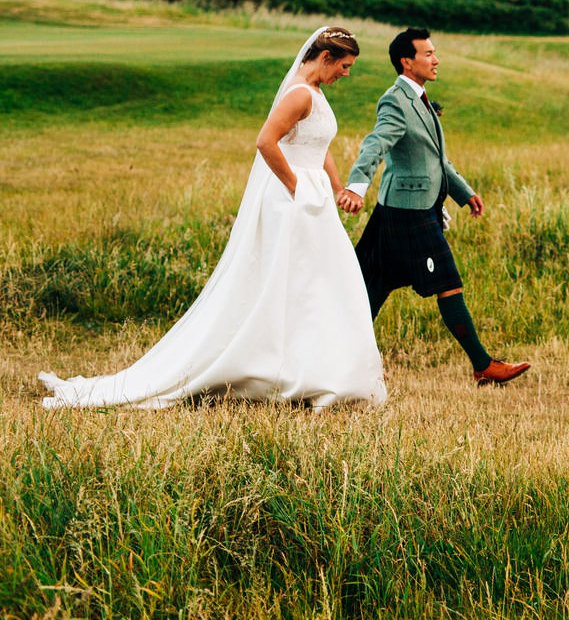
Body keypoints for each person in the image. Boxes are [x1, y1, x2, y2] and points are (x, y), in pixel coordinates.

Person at [39, 27, 387, 409]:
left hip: (314, 200)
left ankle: (310, 371)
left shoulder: (315, 93)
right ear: (325, 57)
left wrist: (337, 188)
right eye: (344, 66)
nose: (346, 74)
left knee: (314, 281)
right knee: (292, 279)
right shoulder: (300, 93)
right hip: (294, 201)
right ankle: (282, 370)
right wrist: (296, 187)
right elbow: (265, 142)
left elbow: (319, 145)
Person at [337, 27, 529, 386]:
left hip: (409, 209)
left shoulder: (422, 98)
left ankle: (336, 359)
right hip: (407, 212)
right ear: (407, 62)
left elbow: (436, 159)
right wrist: (356, 185)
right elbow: (375, 144)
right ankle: (483, 364)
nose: (436, 59)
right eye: (428, 54)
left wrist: (463, 192)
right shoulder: (395, 101)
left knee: (373, 285)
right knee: (447, 281)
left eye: (434, 52)